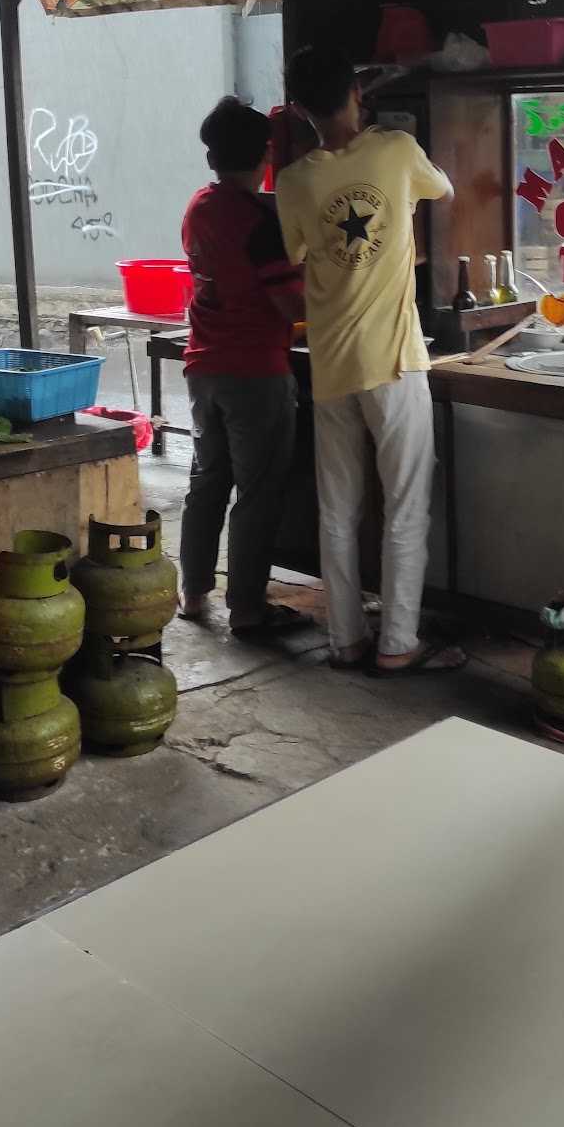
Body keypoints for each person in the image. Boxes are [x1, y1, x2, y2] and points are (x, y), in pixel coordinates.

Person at [275, 46, 463, 675]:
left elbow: (300, 251)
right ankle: (398, 642)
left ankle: (346, 640)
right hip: (394, 360)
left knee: (339, 509)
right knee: (405, 503)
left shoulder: (295, 181)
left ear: (300, 108)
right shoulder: (395, 151)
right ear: (356, 91)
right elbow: (445, 187)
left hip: (330, 365)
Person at [179, 97, 305, 638]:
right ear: (266, 156)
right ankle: (248, 610)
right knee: (257, 492)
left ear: (211, 158)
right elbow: (291, 307)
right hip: (255, 370)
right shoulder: (260, 222)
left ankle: (192, 593)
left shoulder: (198, 208)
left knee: (207, 481)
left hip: (204, 367)